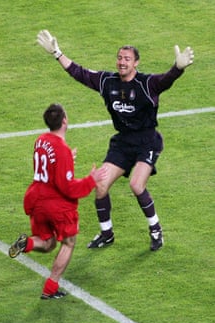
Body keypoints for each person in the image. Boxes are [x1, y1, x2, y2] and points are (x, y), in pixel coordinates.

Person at [36, 30, 194, 251]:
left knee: (136, 185)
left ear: (136, 63)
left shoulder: (146, 84)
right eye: (120, 58)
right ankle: (106, 233)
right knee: (100, 185)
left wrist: (178, 68)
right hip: (122, 143)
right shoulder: (106, 81)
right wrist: (57, 52)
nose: (122, 62)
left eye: (127, 59)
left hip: (147, 141)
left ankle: (156, 230)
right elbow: (79, 73)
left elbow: (165, 81)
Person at [8, 103, 107, 299]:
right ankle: (50, 288)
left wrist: (67, 159)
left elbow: (48, 164)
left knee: (47, 243)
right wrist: (91, 180)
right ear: (64, 121)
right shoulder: (61, 149)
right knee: (69, 242)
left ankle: (26, 243)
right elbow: (67, 187)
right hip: (55, 203)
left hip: (36, 199)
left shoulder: (40, 141)